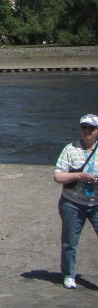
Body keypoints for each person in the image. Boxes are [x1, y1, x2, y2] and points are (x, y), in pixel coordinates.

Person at [54, 113, 98, 289]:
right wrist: (79, 175)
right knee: (70, 242)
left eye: (91, 128)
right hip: (72, 203)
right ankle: (68, 274)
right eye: (84, 127)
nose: (87, 131)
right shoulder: (70, 149)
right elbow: (58, 176)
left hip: (96, 204)